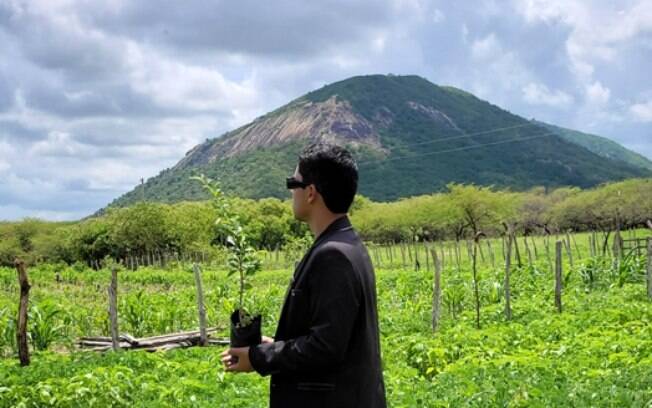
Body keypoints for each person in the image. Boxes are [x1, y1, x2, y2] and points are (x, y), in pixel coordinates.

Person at [221, 142, 387, 407]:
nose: (290, 192)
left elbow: (325, 348)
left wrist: (258, 357)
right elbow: (332, 336)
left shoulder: (333, 255)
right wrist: (271, 346)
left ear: (310, 192)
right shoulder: (348, 244)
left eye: (292, 183)